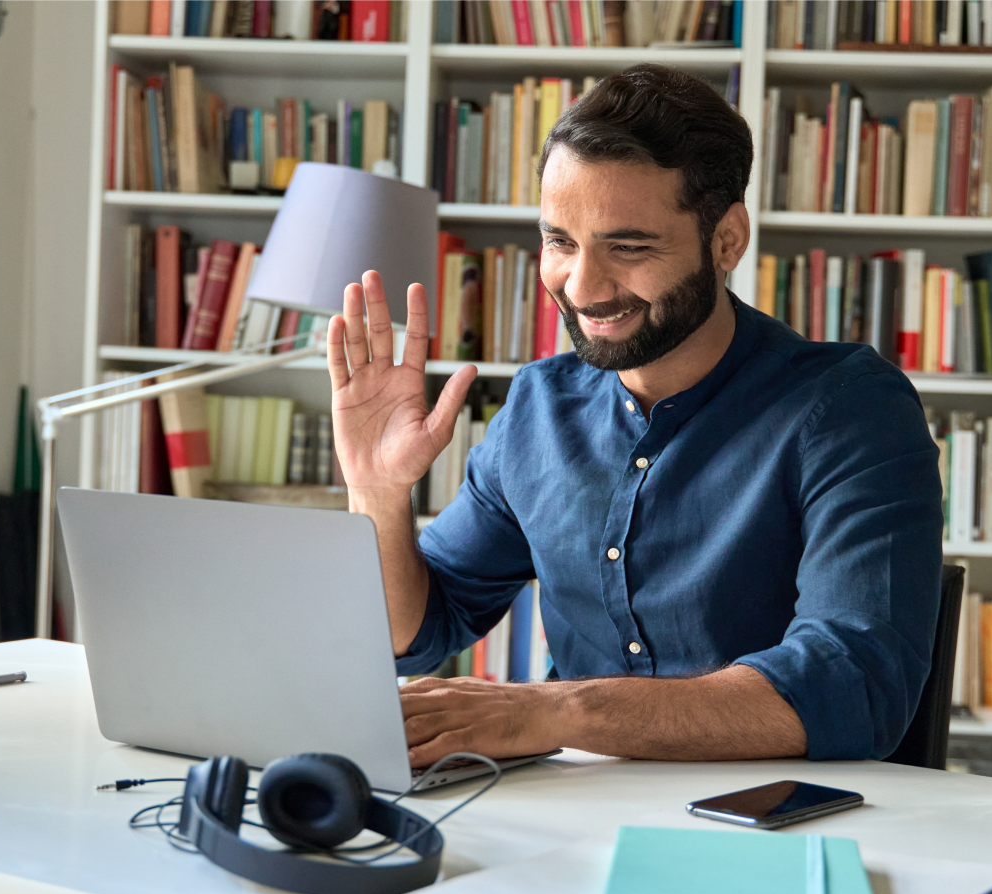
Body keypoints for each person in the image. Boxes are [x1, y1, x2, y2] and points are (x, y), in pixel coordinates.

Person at [325, 64, 943, 769]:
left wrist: (553, 710)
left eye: (630, 246)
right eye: (560, 241)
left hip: (774, 818)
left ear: (727, 240)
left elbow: (855, 685)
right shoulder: (537, 406)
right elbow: (420, 631)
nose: (582, 287)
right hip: (573, 810)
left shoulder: (849, 408)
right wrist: (377, 493)